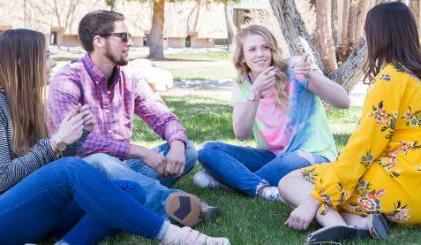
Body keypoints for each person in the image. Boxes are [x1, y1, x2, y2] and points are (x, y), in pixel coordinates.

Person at [0, 28, 230, 245]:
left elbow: (42, 174)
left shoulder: (30, 105)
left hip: (33, 212)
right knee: (72, 169)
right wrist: (53, 144)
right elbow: (3, 178)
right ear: (23, 62)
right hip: (6, 218)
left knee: (130, 190)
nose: (52, 64)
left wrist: (75, 138)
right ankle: (174, 236)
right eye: (46, 56)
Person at [46, 10, 219, 226]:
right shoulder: (67, 80)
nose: (130, 43)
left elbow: (163, 117)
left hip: (124, 167)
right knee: (102, 161)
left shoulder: (130, 78)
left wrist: (176, 144)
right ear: (99, 41)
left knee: (187, 150)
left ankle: (128, 195)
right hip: (83, 176)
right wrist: (138, 151)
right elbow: (78, 141)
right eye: (123, 36)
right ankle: (173, 204)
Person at [279, 2, 421, 243]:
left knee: (290, 182)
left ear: (379, 35)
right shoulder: (415, 74)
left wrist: (316, 199)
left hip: (401, 189)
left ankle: (335, 224)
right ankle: (361, 223)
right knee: (335, 178)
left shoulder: (390, 78)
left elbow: (364, 148)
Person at [194, 25, 350, 201]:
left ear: (272, 50)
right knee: (207, 150)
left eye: (265, 47)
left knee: (288, 162)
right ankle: (260, 187)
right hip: (272, 156)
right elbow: (241, 134)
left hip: (311, 155)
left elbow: (344, 102)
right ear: (242, 57)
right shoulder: (243, 84)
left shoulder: (295, 68)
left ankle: (236, 182)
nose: (260, 54)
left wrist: (312, 76)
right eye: (252, 49)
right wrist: (256, 92)